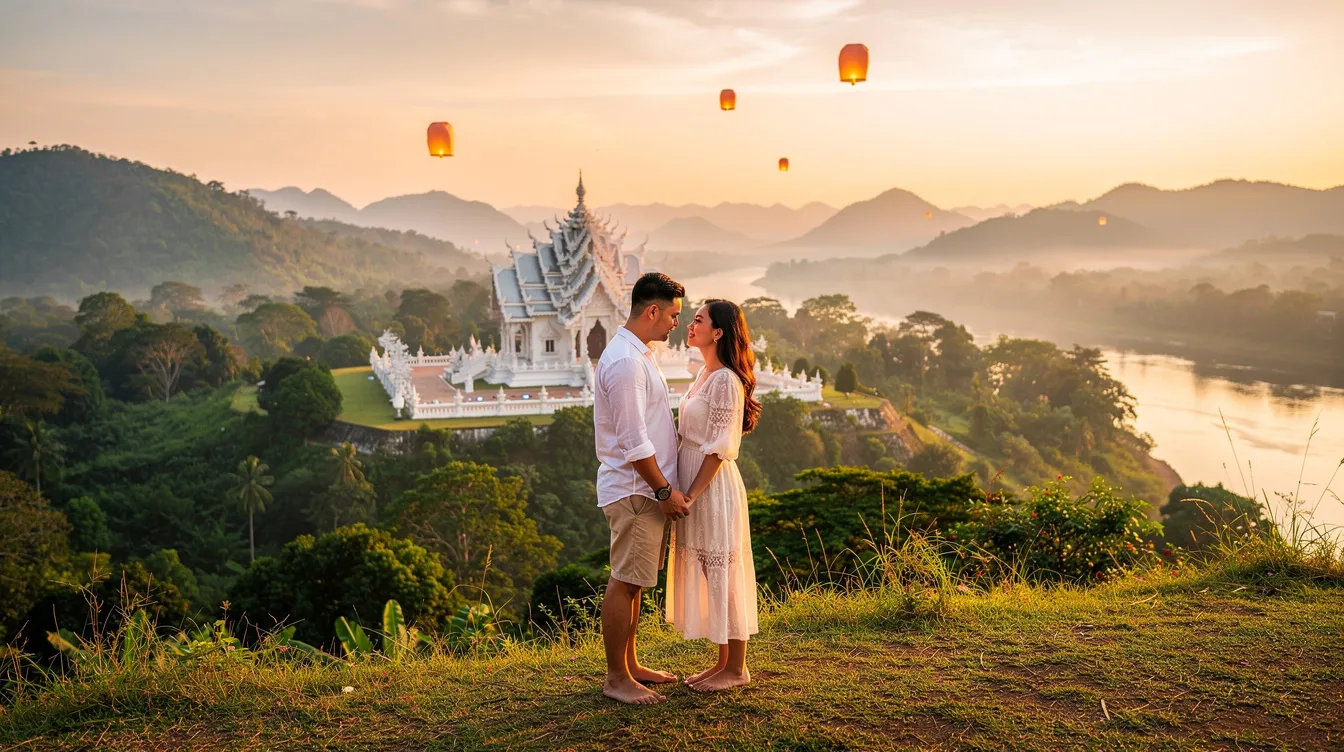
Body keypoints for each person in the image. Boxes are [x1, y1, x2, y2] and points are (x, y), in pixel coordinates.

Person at [593, 272, 689, 705]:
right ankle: (616, 677)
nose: (675, 324)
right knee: (624, 582)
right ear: (652, 310)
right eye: (672, 315)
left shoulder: (637, 354)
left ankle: (630, 665)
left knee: (635, 582)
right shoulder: (628, 362)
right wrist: (664, 491)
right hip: (637, 488)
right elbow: (634, 442)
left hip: (641, 489)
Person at [666, 298, 761, 692]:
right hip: (694, 479)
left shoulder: (725, 380)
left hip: (711, 485)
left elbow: (721, 446)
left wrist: (689, 494)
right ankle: (722, 661)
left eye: (698, 320)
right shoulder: (704, 374)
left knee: (723, 568)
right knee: (709, 569)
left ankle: (737, 668)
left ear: (718, 331)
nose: (690, 325)